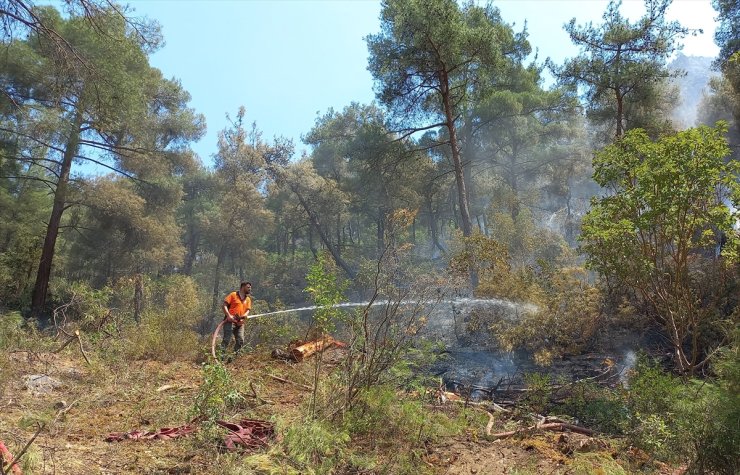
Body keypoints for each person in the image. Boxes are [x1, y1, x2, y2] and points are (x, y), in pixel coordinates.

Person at [221, 281, 252, 356]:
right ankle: (220, 357)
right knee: (226, 340)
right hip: (230, 321)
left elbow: (247, 310)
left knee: (240, 341)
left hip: (240, 323)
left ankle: (232, 359)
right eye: (248, 287)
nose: (250, 289)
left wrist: (244, 317)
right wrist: (228, 316)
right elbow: (224, 305)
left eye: (250, 287)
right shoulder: (233, 295)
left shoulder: (248, 299)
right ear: (243, 287)